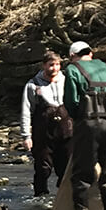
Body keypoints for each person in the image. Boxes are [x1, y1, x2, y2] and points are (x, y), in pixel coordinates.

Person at [64, 41, 106, 210]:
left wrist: (78, 120)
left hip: (88, 123)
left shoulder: (73, 70)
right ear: (91, 53)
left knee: (82, 173)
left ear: (73, 55)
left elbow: (71, 101)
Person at [21, 50, 72, 197]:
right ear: (43, 66)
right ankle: (40, 197)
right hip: (43, 133)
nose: (55, 68)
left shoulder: (67, 81)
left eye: (57, 65)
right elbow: (26, 111)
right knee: (43, 168)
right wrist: (26, 136)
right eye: (51, 65)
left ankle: (65, 198)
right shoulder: (32, 85)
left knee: (67, 168)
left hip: (66, 131)